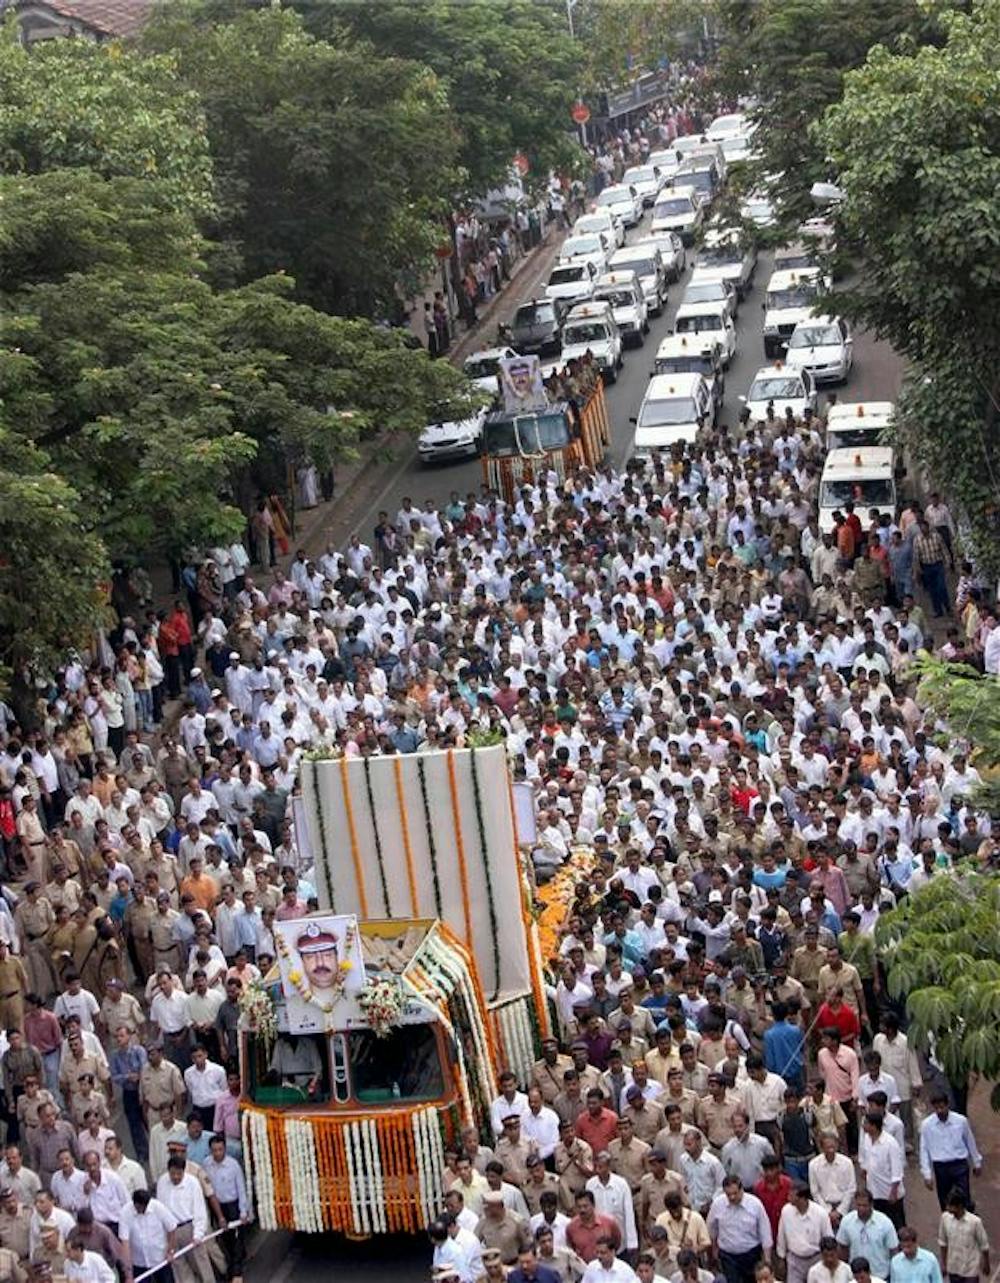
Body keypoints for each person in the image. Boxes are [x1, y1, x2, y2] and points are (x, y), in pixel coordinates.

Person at [918, 1093, 982, 1212]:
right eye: (936, 1108)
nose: (940, 1111)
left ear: (948, 1105)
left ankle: (967, 1223)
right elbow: (924, 1149)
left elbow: (970, 1141)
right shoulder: (927, 1125)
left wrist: (976, 1162)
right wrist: (927, 1174)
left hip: (959, 1164)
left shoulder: (961, 1121)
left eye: (942, 1107)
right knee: (945, 1200)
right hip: (941, 1167)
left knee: (964, 1197)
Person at [707, 1176, 773, 1283]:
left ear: (742, 1189)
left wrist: (767, 1259)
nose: (732, 1197)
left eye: (735, 1193)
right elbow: (712, 1229)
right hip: (728, 1256)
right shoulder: (718, 1205)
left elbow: (765, 1232)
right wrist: (714, 1250)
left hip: (751, 1255)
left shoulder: (755, 1204)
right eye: (729, 1195)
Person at [836, 1192, 898, 1281]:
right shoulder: (847, 1221)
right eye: (858, 1205)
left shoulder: (884, 1222)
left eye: (864, 1205)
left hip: (880, 1276)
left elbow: (893, 1250)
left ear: (871, 1205)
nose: (861, 1208)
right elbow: (843, 1248)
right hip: (856, 1277)